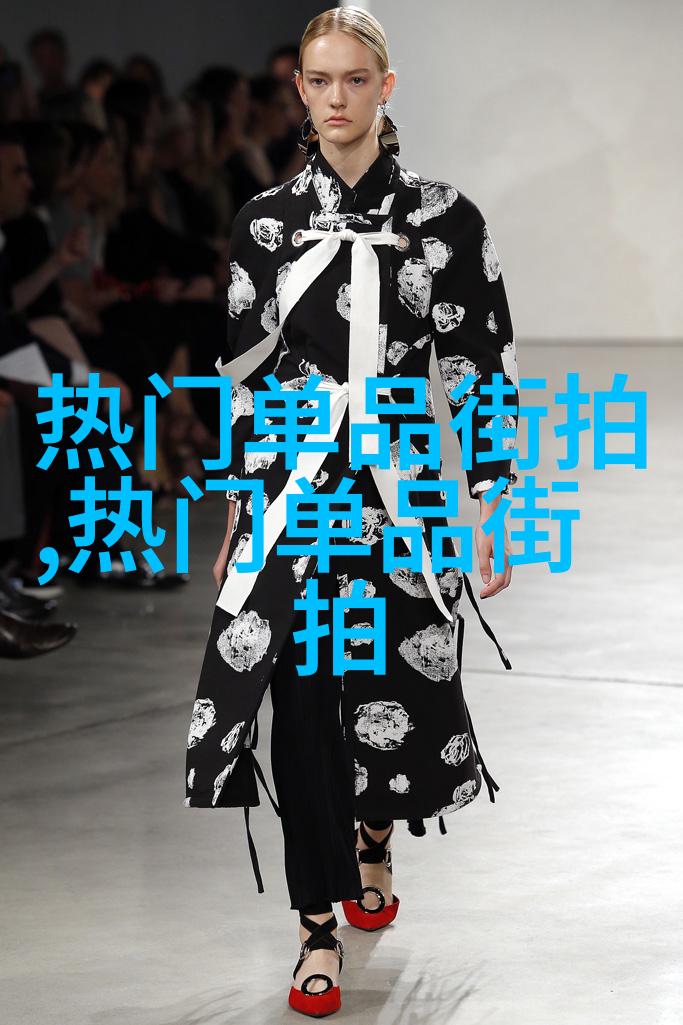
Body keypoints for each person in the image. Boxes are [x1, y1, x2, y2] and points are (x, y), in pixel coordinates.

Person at [184, 7, 519, 1016]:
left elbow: (479, 364)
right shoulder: (265, 223)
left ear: (386, 86)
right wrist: (239, 510)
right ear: (298, 89)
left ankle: (373, 832)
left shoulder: (445, 218)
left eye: (354, 79)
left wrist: (490, 500)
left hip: (399, 485)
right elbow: (244, 377)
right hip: (295, 487)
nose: (336, 98)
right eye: (318, 80)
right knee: (296, 697)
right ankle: (315, 925)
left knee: (388, 674)